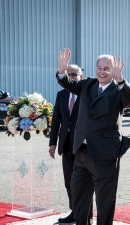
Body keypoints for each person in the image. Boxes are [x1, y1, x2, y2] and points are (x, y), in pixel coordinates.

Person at [56, 48, 130, 225]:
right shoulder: (88, 84)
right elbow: (68, 84)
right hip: (82, 153)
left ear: (113, 70)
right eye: (99, 67)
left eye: (106, 68)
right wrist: (61, 71)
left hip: (105, 155)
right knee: (79, 198)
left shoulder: (118, 89)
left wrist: (120, 79)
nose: (102, 71)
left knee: (104, 202)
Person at [49, 65, 93, 223]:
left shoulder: (87, 94)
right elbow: (56, 120)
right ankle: (75, 212)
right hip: (66, 144)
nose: (71, 77)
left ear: (81, 76)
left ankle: (86, 215)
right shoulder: (61, 95)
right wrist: (52, 142)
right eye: (68, 74)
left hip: (83, 145)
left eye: (74, 74)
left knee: (84, 182)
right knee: (69, 181)